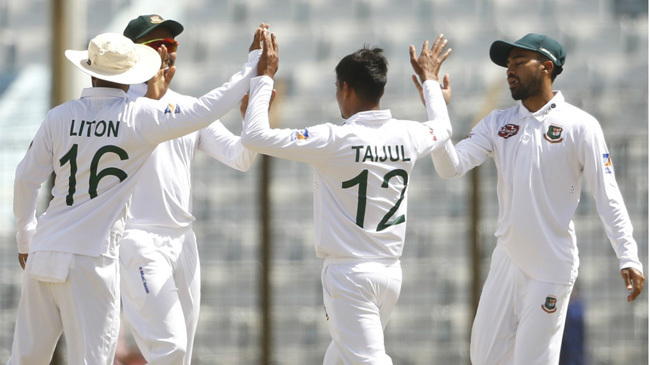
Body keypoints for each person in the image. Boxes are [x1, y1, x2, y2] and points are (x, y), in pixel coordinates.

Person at [10, 26, 266, 364]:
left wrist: (26, 237)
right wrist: (254, 68)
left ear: (90, 71)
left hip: (45, 249)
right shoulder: (139, 116)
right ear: (133, 70)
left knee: (25, 360)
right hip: (93, 256)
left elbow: (25, 179)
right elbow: (207, 108)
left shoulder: (60, 115)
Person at [421, 33, 645, 364]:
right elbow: (449, 168)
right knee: (484, 359)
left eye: (518, 62)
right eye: (507, 64)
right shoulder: (498, 123)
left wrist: (628, 255)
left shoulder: (580, 125)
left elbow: (607, 195)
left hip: (551, 265)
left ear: (546, 67)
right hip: (507, 260)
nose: (509, 70)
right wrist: (435, 104)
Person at [241, 31, 453, 364]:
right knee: (339, 358)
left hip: (350, 275)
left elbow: (254, 136)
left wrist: (264, 78)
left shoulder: (333, 138)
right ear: (380, 89)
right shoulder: (410, 134)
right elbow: (443, 125)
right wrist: (429, 81)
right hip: (389, 274)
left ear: (345, 88)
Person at [117, 14, 259, 365]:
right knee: (170, 347)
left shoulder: (187, 108)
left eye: (172, 44)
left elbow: (239, 156)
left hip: (183, 242)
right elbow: (148, 120)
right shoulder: (117, 106)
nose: (167, 50)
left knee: (182, 355)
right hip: (139, 239)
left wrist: (254, 114)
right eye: (156, 44)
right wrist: (250, 69)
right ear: (133, 53)